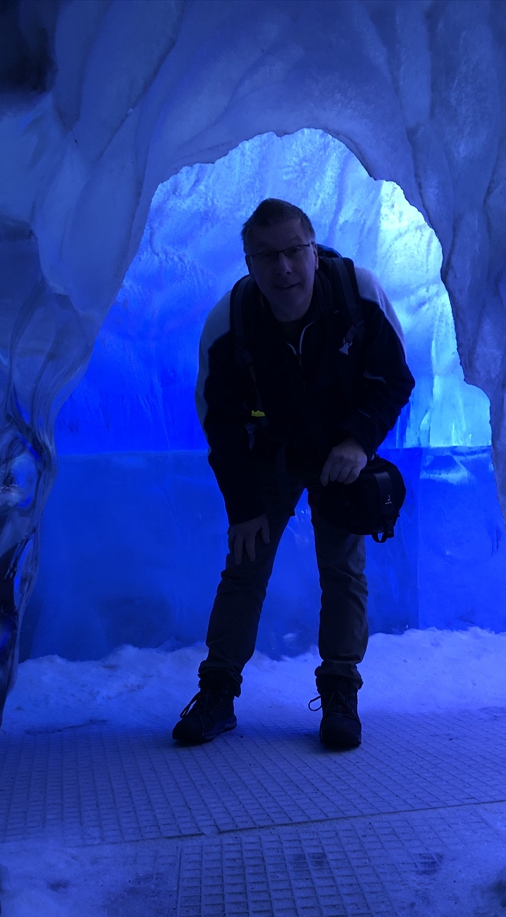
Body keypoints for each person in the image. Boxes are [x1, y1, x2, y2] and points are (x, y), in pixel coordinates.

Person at [173, 198, 415, 749]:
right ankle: (217, 692)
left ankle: (340, 693)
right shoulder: (230, 321)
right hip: (270, 456)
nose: (283, 268)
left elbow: (395, 377)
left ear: (313, 248)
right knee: (245, 562)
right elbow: (222, 423)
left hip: (339, 453)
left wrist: (357, 441)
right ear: (249, 262)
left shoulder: (359, 293)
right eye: (266, 256)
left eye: (292, 251)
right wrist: (244, 506)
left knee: (343, 568)